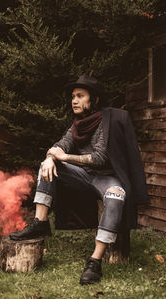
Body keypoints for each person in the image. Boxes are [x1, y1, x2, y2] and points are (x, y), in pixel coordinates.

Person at [9, 74, 149, 285]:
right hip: (85, 177)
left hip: (109, 178)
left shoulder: (107, 120)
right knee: (47, 165)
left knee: (115, 195)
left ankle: (95, 262)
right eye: (73, 96)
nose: (74, 100)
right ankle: (40, 222)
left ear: (94, 100)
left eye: (80, 96)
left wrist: (65, 157)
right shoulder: (77, 125)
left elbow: (101, 157)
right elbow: (59, 145)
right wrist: (50, 158)